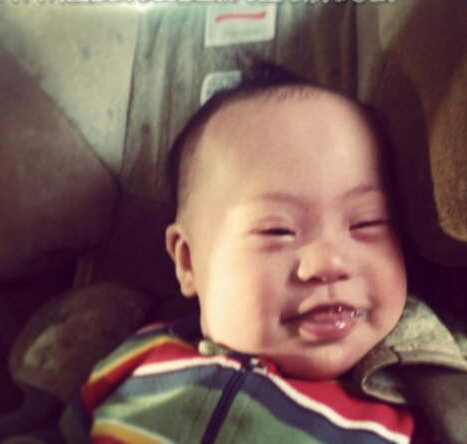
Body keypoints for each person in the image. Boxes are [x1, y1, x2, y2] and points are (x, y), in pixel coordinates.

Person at [71, 62, 430, 443]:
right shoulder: (138, 359)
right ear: (189, 262)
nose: (329, 263)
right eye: (277, 230)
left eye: (367, 223)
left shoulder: (417, 412)